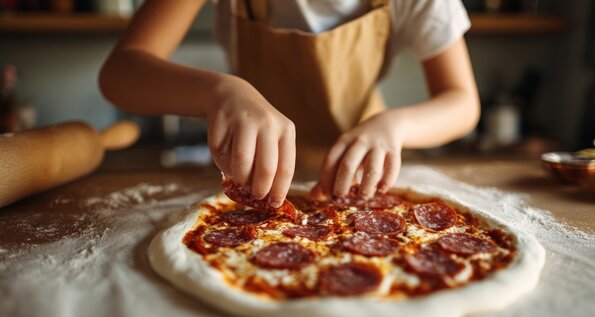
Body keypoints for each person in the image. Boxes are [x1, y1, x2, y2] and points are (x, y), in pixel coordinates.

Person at [99, 0, 479, 208]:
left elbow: (462, 102)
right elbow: (120, 72)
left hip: (362, 178)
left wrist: (395, 127)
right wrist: (218, 91)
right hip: (250, 180)